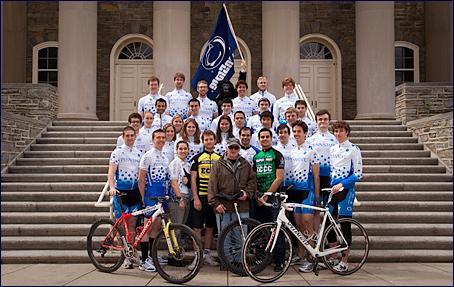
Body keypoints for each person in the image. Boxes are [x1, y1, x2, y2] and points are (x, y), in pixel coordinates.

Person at [326, 120, 363, 273]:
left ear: (347, 132)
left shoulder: (354, 149)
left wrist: (341, 185)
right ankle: (334, 255)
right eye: (335, 131)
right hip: (333, 190)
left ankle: (345, 260)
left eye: (341, 130)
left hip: (346, 190)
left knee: (344, 223)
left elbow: (358, 173)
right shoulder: (333, 149)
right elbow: (332, 170)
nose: (338, 133)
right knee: (329, 222)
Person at [283, 121, 320, 272]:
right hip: (295, 193)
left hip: (308, 192)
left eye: (299, 131)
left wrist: (317, 196)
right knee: (298, 225)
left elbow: (316, 176)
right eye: (295, 131)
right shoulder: (291, 151)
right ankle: (301, 254)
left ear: (305, 133)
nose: (296, 134)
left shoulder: (312, 151)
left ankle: (312, 257)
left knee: (307, 224)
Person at [208, 137, 257, 247]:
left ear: (239, 149)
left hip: (242, 205)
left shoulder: (246, 164)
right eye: (231, 147)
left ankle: (239, 262)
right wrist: (216, 204)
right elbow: (212, 186)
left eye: (236, 147)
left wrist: (247, 194)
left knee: (241, 236)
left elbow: (252, 182)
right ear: (226, 148)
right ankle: (226, 262)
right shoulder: (217, 165)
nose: (233, 150)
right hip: (223, 206)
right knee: (224, 237)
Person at [108, 126, 142, 269]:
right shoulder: (117, 152)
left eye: (131, 135)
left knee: (133, 225)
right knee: (122, 225)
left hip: (134, 192)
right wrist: (111, 187)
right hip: (120, 192)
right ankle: (124, 256)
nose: (129, 138)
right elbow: (111, 172)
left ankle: (131, 253)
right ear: (123, 137)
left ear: (135, 137)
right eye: (127, 135)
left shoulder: (139, 153)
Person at [252, 128, 285, 271]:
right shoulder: (256, 156)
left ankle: (280, 261)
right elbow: (253, 177)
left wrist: (267, 194)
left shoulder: (277, 155)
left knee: (276, 229)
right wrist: (258, 195)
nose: (264, 139)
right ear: (258, 139)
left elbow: (279, 177)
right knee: (260, 229)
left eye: (267, 136)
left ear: (271, 138)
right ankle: (263, 258)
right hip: (259, 198)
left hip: (273, 198)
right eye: (262, 137)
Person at [138, 129, 170, 272]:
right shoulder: (147, 156)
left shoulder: (164, 157)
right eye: (158, 137)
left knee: (156, 228)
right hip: (150, 197)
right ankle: (143, 260)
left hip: (161, 197)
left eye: (163, 137)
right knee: (147, 228)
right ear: (153, 139)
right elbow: (141, 179)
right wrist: (142, 198)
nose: (161, 140)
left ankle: (151, 256)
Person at [189, 130, 221, 267]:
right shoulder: (197, 158)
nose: (208, 141)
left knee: (209, 227)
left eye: (211, 139)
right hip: (200, 197)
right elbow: (193, 180)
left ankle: (207, 254)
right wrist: (195, 198)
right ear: (203, 141)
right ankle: (197, 256)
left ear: (215, 141)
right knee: (196, 228)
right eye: (206, 139)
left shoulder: (219, 158)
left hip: (213, 199)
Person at [306, 109, 338, 232]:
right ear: (316, 122)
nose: (322, 122)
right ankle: (316, 237)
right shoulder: (310, 140)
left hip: (330, 178)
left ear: (329, 121)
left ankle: (330, 237)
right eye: (320, 119)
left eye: (325, 119)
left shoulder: (335, 139)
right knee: (315, 208)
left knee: (330, 209)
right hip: (315, 178)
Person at [168, 141, 192, 225]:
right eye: (180, 149)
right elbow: (173, 183)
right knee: (177, 228)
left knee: (182, 227)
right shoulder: (175, 163)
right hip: (177, 198)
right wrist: (180, 199)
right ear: (176, 150)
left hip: (186, 196)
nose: (183, 151)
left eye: (185, 149)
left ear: (188, 150)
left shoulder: (187, 164)